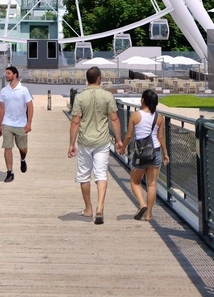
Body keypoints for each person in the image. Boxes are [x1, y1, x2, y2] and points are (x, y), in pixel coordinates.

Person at [68, 66, 121, 224]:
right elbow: (114, 119)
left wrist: (72, 144)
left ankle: (88, 209)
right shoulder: (107, 96)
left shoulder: (80, 97)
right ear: (99, 79)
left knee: (84, 175)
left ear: (87, 79)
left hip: (84, 141)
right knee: (101, 174)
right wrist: (119, 140)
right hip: (102, 141)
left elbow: (75, 121)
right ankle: (100, 208)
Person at [122, 88, 168, 222]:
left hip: (141, 153)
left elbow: (129, 135)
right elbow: (161, 137)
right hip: (156, 152)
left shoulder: (135, 115)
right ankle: (148, 214)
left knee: (135, 181)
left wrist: (122, 148)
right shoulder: (159, 117)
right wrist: (165, 153)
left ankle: (142, 204)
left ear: (143, 100)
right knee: (152, 184)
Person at [0, 66, 33, 182]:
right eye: (6, 73)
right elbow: (1, 108)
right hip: (7, 123)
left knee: (22, 148)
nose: (6, 75)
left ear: (15, 74)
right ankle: (10, 172)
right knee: (7, 147)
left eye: (8, 73)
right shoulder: (4, 91)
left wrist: (29, 123)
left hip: (21, 123)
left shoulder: (23, 90)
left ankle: (23, 159)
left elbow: (30, 106)